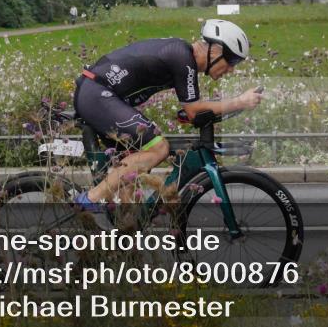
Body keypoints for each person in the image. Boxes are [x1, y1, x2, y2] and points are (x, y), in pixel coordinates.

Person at [72, 19, 262, 212]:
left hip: (101, 94)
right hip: (97, 93)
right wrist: (240, 101)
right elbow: (194, 110)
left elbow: (191, 112)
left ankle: (123, 232)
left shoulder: (183, 57)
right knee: (159, 148)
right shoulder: (182, 58)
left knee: (131, 179)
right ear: (215, 50)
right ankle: (90, 199)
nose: (231, 69)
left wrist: (208, 111)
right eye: (232, 61)